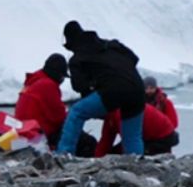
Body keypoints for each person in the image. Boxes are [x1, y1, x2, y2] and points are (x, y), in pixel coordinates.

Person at [56, 20, 145, 155]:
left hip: (113, 90)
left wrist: (96, 84)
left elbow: (79, 86)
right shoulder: (111, 45)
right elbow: (133, 58)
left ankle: (64, 153)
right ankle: (137, 160)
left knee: (76, 113)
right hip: (138, 88)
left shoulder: (77, 58)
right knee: (132, 136)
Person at [14, 54, 68, 145]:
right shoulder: (48, 85)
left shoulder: (33, 82)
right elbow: (59, 117)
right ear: (58, 75)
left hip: (21, 133)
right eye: (62, 76)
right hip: (38, 136)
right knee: (83, 139)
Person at [95, 104, 179, 157]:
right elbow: (105, 141)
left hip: (162, 137)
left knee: (135, 156)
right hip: (148, 136)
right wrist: (97, 159)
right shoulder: (111, 117)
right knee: (113, 154)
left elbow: (128, 141)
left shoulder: (120, 114)